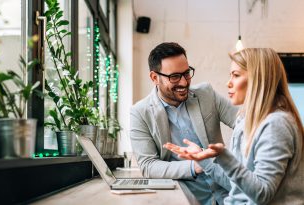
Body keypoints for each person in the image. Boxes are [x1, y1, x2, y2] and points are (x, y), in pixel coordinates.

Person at [164, 48, 304, 204]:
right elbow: (239, 186)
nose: (228, 83)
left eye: (236, 75)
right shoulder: (245, 120)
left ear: (259, 79)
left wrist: (223, 156)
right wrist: (204, 158)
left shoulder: (275, 125)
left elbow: (262, 193)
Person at [130, 42, 238, 205]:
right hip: (188, 198)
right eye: (174, 77)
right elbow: (148, 166)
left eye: (186, 73)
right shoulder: (140, 112)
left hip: (227, 194)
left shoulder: (206, 95)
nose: (184, 82)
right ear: (154, 78)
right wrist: (196, 165)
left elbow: (245, 123)